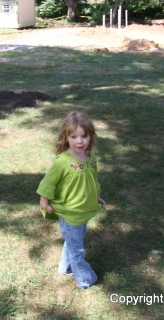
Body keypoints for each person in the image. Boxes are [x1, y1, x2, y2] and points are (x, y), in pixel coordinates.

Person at [37, 111, 106, 289]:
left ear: (91, 136)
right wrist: (44, 202)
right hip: (69, 213)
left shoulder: (90, 158)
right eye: (73, 136)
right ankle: (84, 279)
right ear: (66, 137)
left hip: (84, 210)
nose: (79, 141)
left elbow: (93, 180)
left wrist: (97, 196)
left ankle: (64, 268)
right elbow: (48, 183)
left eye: (84, 136)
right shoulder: (63, 162)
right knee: (77, 249)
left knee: (74, 242)